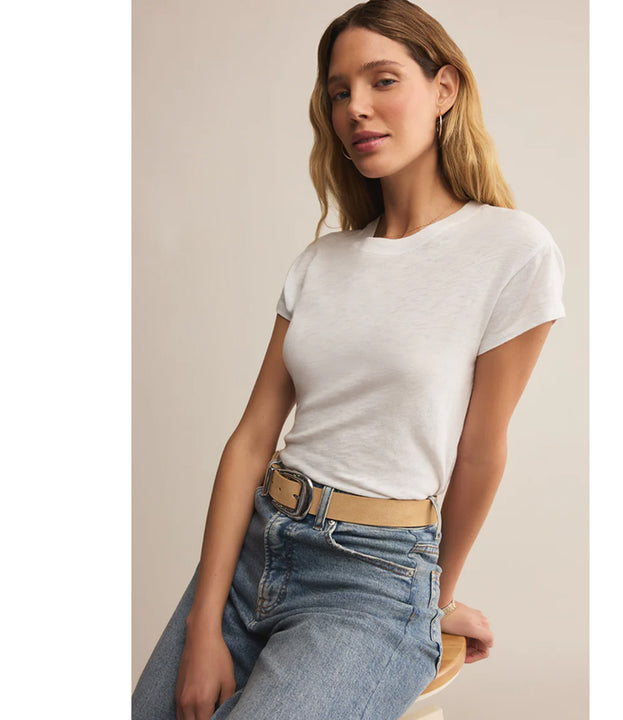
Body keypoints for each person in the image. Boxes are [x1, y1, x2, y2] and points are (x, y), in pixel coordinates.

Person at [132, 0, 567, 718]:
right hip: (255, 550)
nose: (356, 108)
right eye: (340, 92)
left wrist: (432, 600)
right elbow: (251, 441)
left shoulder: (512, 250)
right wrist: (205, 625)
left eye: (382, 80)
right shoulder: (321, 262)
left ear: (445, 89)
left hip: (373, 582)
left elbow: (481, 453)